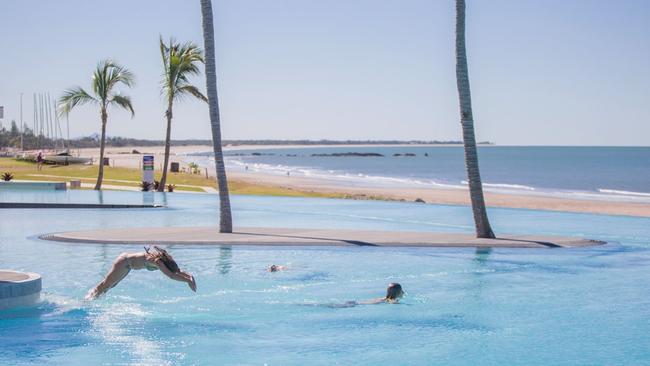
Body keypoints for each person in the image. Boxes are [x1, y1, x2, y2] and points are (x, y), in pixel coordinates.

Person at [85, 246, 196, 300]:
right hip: (124, 262)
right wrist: (187, 281)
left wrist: (190, 277)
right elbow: (171, 275)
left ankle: (94, 297)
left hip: (128, 265)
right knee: (107, 284)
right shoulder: (158, 262)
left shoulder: (168, 261)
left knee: (111, 285)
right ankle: (88, 299)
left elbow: (176, 271)